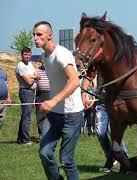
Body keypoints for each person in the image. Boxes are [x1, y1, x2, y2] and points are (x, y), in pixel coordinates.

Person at [33, 21, 84, 180]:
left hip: (72, 115)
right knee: (45, 153)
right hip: (54, 115)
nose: (35, 38)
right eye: (34, 35)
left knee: (66, 160)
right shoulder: (43, 56)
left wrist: (53, 100)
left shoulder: (61, 54)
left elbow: (74, 81)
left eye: (39, 34)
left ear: (49, 35)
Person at [82, 69, 128, 173]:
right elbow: (89, 76)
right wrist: (84, 94)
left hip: (116, 102)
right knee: (100, 133)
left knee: (114, 133)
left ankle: (124, 161)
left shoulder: (117, 60)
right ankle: (110, 158)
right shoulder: (98, 63)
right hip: (102, 102)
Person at [15, 47, 40, 145]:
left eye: (29, 54)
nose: (27, 56)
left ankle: (20, 138)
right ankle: (26, 140)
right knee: (27, 117)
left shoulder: (30, 64)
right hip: (26, 92)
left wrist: (32, 76)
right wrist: (34, 77)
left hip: (31, 92)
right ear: (21, 55)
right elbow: (29, 82)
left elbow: (38, 76)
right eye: (25, 54)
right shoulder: (21, 66)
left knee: (25, 116)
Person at [35, 58, 50, 137]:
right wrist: (34, 99)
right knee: (40, 115)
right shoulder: (37, 70)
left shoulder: (52, 70)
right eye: (43, 60)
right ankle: (41, 134)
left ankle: (50, 134)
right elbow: (34, 84)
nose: (44, 62)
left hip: (51, 94)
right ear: (40, 61)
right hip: (40, 94)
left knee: (51, 115)